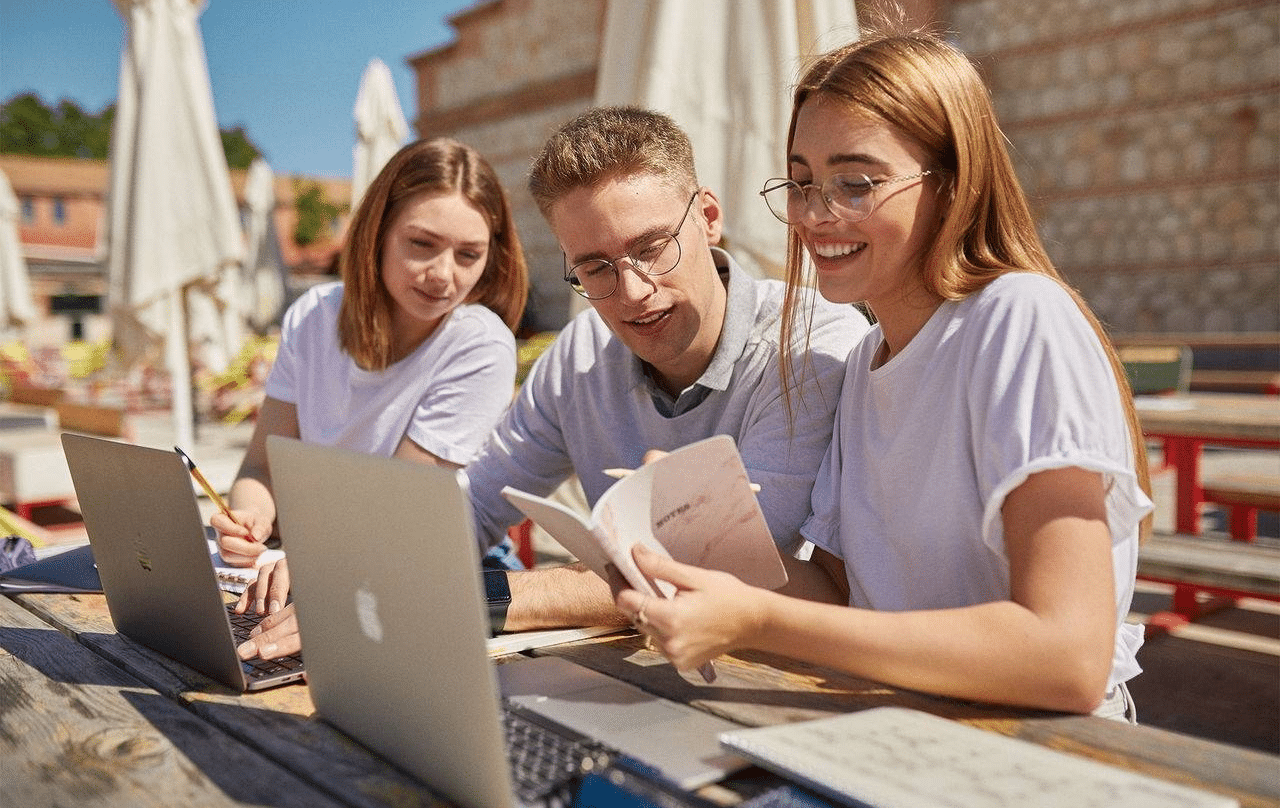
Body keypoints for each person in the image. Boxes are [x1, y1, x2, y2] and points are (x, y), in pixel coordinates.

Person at [615, 25, 1153, 721]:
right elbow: (843, 594)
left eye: (855, 183)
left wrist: (757, 621)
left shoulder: (1019, 318)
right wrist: (692, 530)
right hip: (897, 738)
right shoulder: (869, 361)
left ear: (952, 183)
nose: (814, 215)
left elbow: (1068, 658)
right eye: (803, 182)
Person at [234, 106, 870, 660]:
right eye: (594, 267)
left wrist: (449, 597)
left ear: (707, 217)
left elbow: (724, 566)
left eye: (653, 248)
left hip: (784, 684)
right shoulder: (582, 353)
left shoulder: (812, 346)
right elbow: (476, 501)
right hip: (637, 672)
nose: (632, 292)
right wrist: (354, 572)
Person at [213, 137, 529, 598]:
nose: (444, 274)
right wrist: (249, 519)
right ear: (377, 232)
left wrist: (309, 560)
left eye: (468, 255)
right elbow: (261, 466)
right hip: (320, 559)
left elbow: (394, 507)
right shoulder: (314, 315)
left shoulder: (480, 346)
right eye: (422, 244)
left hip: (448, 577)